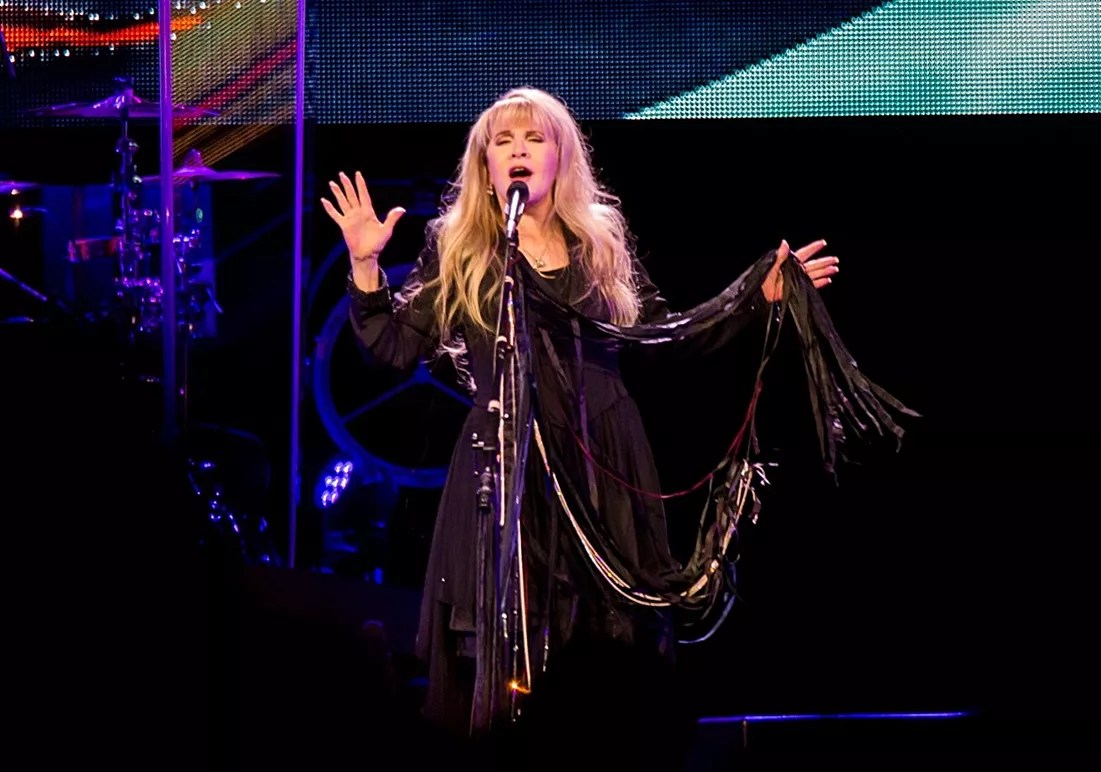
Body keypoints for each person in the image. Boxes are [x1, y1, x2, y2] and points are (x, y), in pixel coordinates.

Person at [321, 86, 913, 752]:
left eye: (534, 139)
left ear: (561, 158)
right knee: (497, 648)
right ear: (484, 166)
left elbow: (665, 335)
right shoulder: (460, 249)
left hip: (601, 459)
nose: (518, 151)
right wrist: (366, 262)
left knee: (599, 647)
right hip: (500, 461)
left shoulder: (599, 244)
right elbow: (393, 347)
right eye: (503, 142)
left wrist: (755, 297)